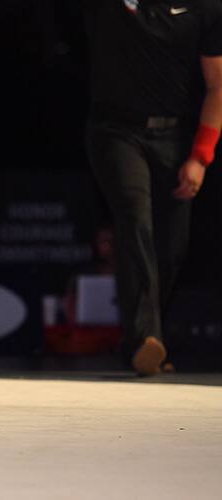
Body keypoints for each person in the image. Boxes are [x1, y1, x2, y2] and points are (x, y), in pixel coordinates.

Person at [82, 1, 222, 375]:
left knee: (172, 245)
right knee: (135, 218)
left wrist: (200, 157)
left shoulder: (207, 9)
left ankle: (141, 342)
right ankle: (146, 337)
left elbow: (218, 86)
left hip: (175, 137)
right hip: (116, 132)